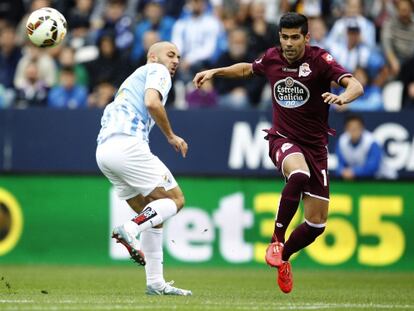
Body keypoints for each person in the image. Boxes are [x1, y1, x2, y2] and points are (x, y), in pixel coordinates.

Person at [193, 12, 363, 294]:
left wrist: (343, 97)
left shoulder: (320, 60)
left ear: (306, 38)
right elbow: (248, 69)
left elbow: (354, 83)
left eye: (295, 37)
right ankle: (277, 238)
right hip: (282, 139)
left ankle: (283, 258)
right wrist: (216, 71)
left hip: (316, 147)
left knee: (316, 224)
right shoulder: (273, 58)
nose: (289, 44)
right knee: (297, 173)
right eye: (284, 37)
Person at [95, 41, 192, 296]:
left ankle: (155, 283)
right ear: (153, 56)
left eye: (179, 57)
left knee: (153, 216)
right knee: (176, 200)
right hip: (128, 145)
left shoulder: (129, 82)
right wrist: (171, 136)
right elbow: (152, 102)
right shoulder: (156, 70)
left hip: (104, 152)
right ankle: (130, 229)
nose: (175, 61)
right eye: (171, 55)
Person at [335, 114, 397, 180]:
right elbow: (340, 165)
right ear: (346, 129)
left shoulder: (371, 142)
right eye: (351, 128)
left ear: (362, 128)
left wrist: (354, 171)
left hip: (384, 179)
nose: (354, 131)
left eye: (356, 128)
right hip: (360, 180)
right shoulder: (341, 141)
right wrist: (342, 172)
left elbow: (373, 167)